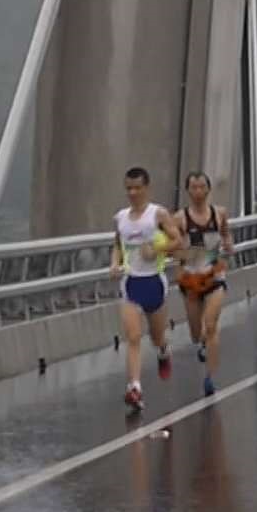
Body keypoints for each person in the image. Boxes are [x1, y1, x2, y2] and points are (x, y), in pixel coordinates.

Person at [112, 167, 180, 413]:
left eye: (137, 188)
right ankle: (135, 387)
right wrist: (114, 264)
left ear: (146, 188)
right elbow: (117, 245)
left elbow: (177, 240)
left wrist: (157, 250)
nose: (132, 193)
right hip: (131, 282)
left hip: (154, 282)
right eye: (128, 188)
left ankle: (164, 351)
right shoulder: (120, 218)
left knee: (157, 336)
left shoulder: (158, 214)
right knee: (132, 337)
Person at [176, 171, 230, 398]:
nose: (198, 192)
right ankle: (201, 345)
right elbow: (172, 247)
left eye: (201, 187)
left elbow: (226, 236)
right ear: (188, 191)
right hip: (190, 279)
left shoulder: (219, 214)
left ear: (208, 189)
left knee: (211, 326)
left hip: (214, 276)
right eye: (193, 188)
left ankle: (210, 377)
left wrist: (228, 246)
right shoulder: (179, 218)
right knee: (196, 332)